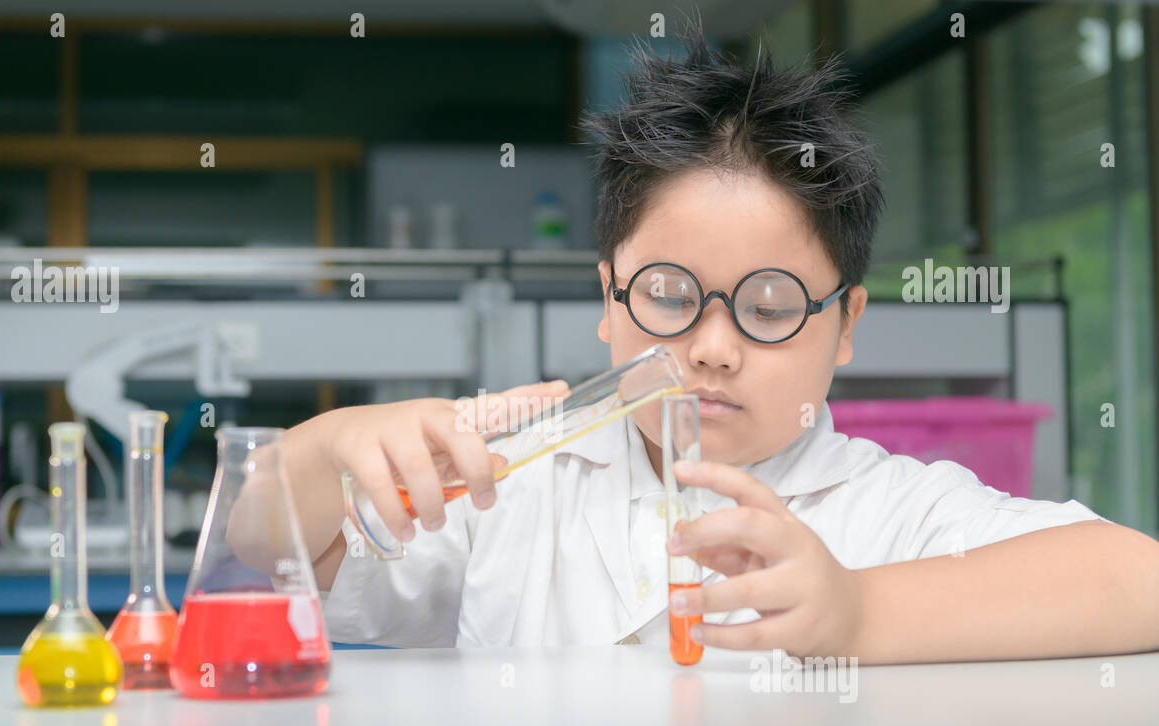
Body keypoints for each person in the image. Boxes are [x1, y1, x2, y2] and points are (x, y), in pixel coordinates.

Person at [271, 23, 1159, 663]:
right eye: (669, 296)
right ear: (608, 299)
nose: (713, 347)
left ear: (845, 325)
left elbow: (1138, 581)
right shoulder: (515, 482)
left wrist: (856, 612)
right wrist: (321, 452)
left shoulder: (888, 510)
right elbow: (263, 555)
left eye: (770, 307)